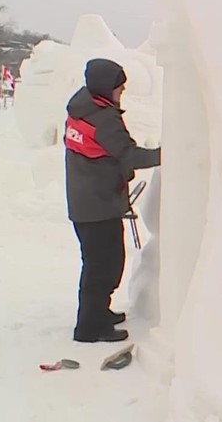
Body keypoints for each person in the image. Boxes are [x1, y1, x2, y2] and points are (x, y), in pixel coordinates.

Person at [64, 58, 161, 342]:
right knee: (104, 265)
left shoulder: (82, 107)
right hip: (97, 205)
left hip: (86, 202)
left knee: (99, 262)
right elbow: (128, 154)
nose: (121, 93)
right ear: (107, 88)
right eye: (119, 88)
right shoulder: (103, 118)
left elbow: (100, 154)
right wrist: (168, 153)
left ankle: (97, 313)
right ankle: (90, 328)